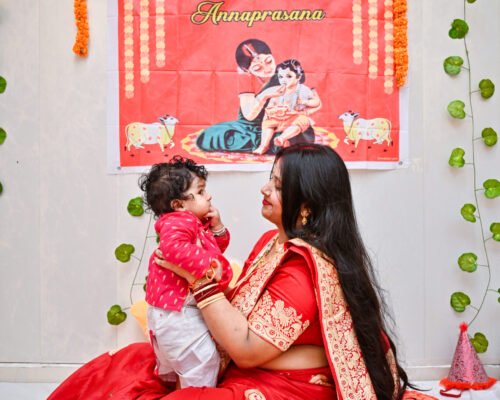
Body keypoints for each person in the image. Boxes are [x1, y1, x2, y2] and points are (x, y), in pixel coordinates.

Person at [49, 144, 433, 400]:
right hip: (242, 360)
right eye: (271, 177)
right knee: (124, 365)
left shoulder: (303, 268)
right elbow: (239, 308)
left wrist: (197, 279)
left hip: (284, 385)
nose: (264, 188)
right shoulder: (271, 241)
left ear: (304, 208)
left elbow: (247, 351)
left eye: (278, 185)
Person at [139, 156, 232, 388]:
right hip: (177, 313)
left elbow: (214, 249)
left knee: (190, 368)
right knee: (203, 363)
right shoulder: (177, 223)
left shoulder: (193, 225)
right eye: (200, 192)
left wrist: (217, 228)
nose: (208, 196)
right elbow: (172, 249)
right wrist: (214, 268)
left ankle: (183, 390)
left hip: (175, 312)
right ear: (179, 205)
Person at [195, 39, 317, 154]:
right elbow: (249, 116)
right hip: (250, 127)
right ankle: (275, 142)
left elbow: (312, 100)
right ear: (248, 70)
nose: (267, 68)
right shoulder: (246, 79)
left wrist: (301, 111)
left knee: (299, 128)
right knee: (212, 135)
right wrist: (265, 95)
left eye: (269, 61)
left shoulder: (286, 71)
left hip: (285, 122)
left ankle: (280, 139)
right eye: (258, 68)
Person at [254, 59, 321, 154]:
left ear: (298, 77)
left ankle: (282, 138)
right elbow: (271, 105)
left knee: (302, 120)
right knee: (267, 123)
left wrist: (306, 102)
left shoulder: (303, 89)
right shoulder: (278, 90)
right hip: (280, 118)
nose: (284, 80)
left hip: (295, 117)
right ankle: (263, 146)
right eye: (281, 77)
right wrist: (272, 110)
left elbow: (316, 102)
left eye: (289, 76)